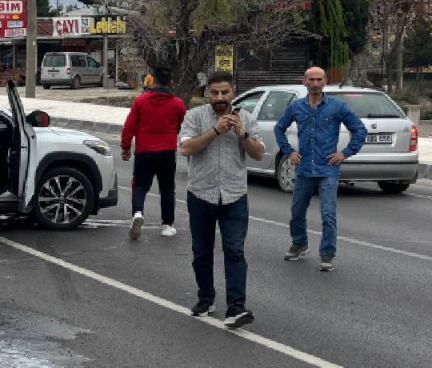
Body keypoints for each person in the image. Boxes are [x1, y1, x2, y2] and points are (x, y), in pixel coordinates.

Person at [179, 71, 264, 329]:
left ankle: (236, 307)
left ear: (233, 92)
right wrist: (215, 131)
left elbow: (259, 154)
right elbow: (186, 148)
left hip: (235, 195)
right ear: (207, 93)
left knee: (235, 250)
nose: (219, 98)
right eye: (214, 93)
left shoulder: (246, 118)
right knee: (201, 252)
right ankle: (206, 298)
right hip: (201, 194)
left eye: (224, 92)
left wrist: (243, 134)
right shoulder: (194, 117)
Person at [274, 66, 367, 272]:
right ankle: (299, 244)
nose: (315, 84)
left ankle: (327, 254)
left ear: (325, 81)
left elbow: (359, 130)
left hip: (328, 170)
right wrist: (289, 151)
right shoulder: (296, 107)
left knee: (328, 214)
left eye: (319, 79)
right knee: (297, 211)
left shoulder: (337, 107)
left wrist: (345, 153)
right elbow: (279, 128)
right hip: (305, 169)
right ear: (304, 82)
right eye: (312, 80)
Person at [121, 67, 187, 239]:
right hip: (167, 152)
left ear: (154, 81)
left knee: (140, 185)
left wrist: (126, 147)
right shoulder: (178, 104)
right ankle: (167, 225)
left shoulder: (140, 102)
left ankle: (137, 213)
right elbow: (183, 125)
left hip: (144, 151)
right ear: (170, 82)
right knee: (167, 188)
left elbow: (129, 126)